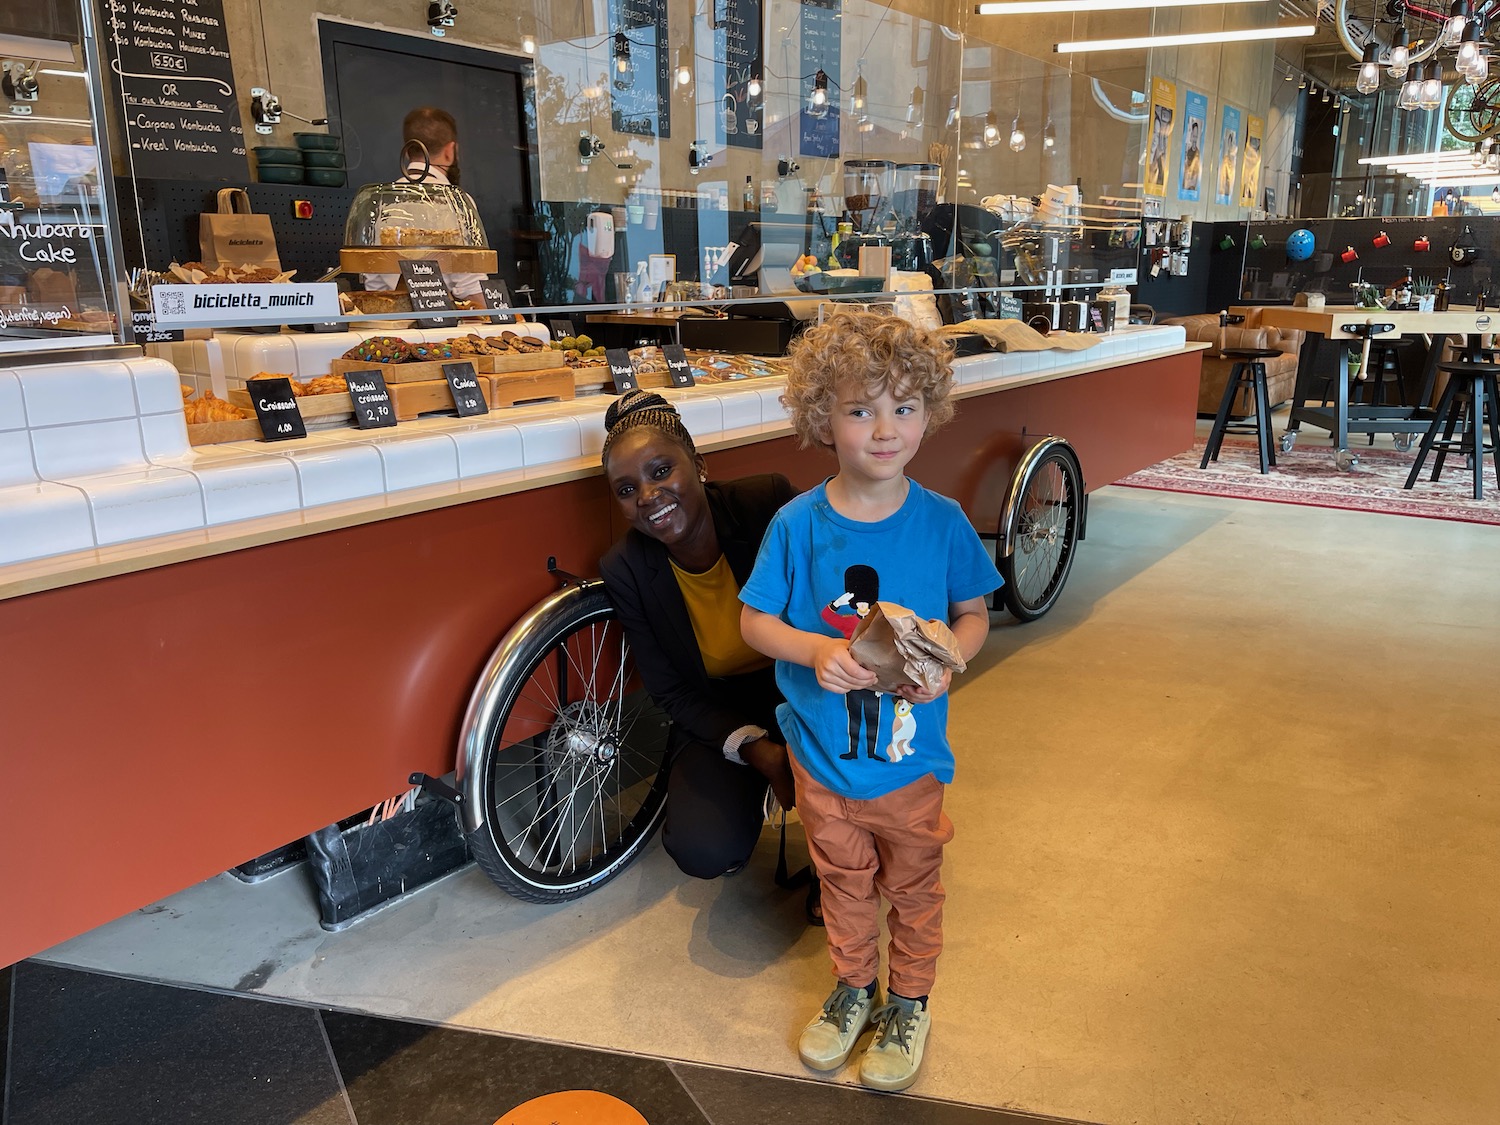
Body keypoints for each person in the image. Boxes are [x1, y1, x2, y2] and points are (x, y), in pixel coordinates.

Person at [739, 310, 1002, 1092]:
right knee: (842, 884)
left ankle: (909, 1001)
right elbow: (755, 620)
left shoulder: (944, 522)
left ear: (930, 410)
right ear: (822, 417)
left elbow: (975, 614)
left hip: (910, 763)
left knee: (914, 888)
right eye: (861, 409)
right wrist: (815, 649)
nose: (886, 430)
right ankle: (856, 988)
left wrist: (951, 658)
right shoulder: (796, 525)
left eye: (904, 407)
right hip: (821, 761)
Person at [597, 391, 817, 914]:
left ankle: (846, 867)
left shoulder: (766, 505)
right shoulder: (626, 569)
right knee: (703, 848)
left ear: (698, 465)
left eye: (660, 471)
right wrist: (760, 752)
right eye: (627, 489)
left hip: (810, 685)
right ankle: (751, 801)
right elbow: (670, 691)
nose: (647, 496)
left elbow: (839, 601)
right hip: (723, 709)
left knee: (852, 782)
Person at [362, 106, 487, 299]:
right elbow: (469, 285)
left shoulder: (380, 201)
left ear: (407, 152)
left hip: (392, 322)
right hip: (446, 321)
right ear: (450, 151)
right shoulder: (458, 202)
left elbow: (375, 283)